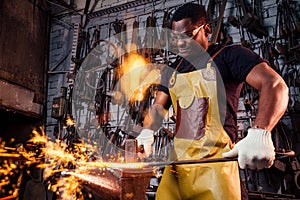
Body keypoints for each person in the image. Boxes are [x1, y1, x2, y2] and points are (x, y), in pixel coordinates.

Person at [136, 2, 289, 200]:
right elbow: (158, 107)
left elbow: (275, 84)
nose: (181, 44)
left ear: (206, 29)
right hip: (178, 169)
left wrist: (260, 132)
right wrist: (147, 132)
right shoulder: (172, 70)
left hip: (217, 170)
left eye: (188, 36)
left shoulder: (229, 56)